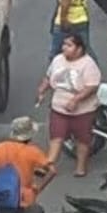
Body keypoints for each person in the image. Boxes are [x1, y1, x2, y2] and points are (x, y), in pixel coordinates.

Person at [37, 30, 102, 177]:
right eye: (64, 45)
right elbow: (48, 77)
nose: (64, 48)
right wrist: (42, 91)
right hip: (59, 107)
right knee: (56, 137)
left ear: (79, 49)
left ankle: (81, 167)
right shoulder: (58, 60)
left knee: (82, 139)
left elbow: (92, 86)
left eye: (69, 45)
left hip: (82, 110)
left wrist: (76, 100)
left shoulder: (88, 64)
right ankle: (49, 164)